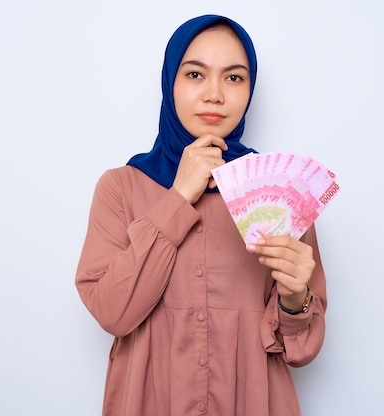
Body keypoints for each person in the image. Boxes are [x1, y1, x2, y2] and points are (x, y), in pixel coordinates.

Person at [75, 14, 327, 416]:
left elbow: (300, 350)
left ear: (250, 89)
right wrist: (179, 196)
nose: (214, 94)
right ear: (169, 81)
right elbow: (112, 312)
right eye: (195, 74)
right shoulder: (121, 187)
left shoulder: (281, 190)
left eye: (233, 78)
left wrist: (296, 300)